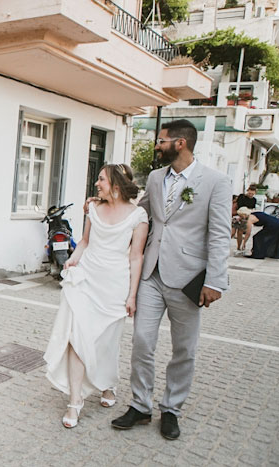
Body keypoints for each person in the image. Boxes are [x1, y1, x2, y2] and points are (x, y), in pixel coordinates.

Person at [111, 119, 231, 440]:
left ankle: (171, 409)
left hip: (189, 278)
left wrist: (215, 281)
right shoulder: (154, 177)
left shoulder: (216, 182)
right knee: (142, 341)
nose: (156, 146)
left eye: (161, 141)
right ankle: (140, 404)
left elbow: (220, 234)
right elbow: (142, 214)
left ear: (180, 143)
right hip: (151, 273)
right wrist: (106, 207)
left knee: (184, 349)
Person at [44, 163, 148, 429]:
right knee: (76, 339)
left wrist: (132, 296)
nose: (96, 184)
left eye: (100, 179)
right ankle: (75, 401)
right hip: (86, 280)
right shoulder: (92, 208)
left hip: (114, 285)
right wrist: (72, 260)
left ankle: (107, 383)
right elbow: (86, 241)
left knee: (106, 343)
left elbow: (136, 256)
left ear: (115, 184)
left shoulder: (138, 216)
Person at [232, 186, 257, 253]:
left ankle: (239, 247)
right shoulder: (242, 196)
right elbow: (239, 205)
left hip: (245, 216)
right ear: (247, 191)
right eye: (249, 193)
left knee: (240, 232)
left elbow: (252, 208)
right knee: (232, 232)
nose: (250, 194)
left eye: (252, 193)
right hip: (238, 215)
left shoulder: (254, 200)